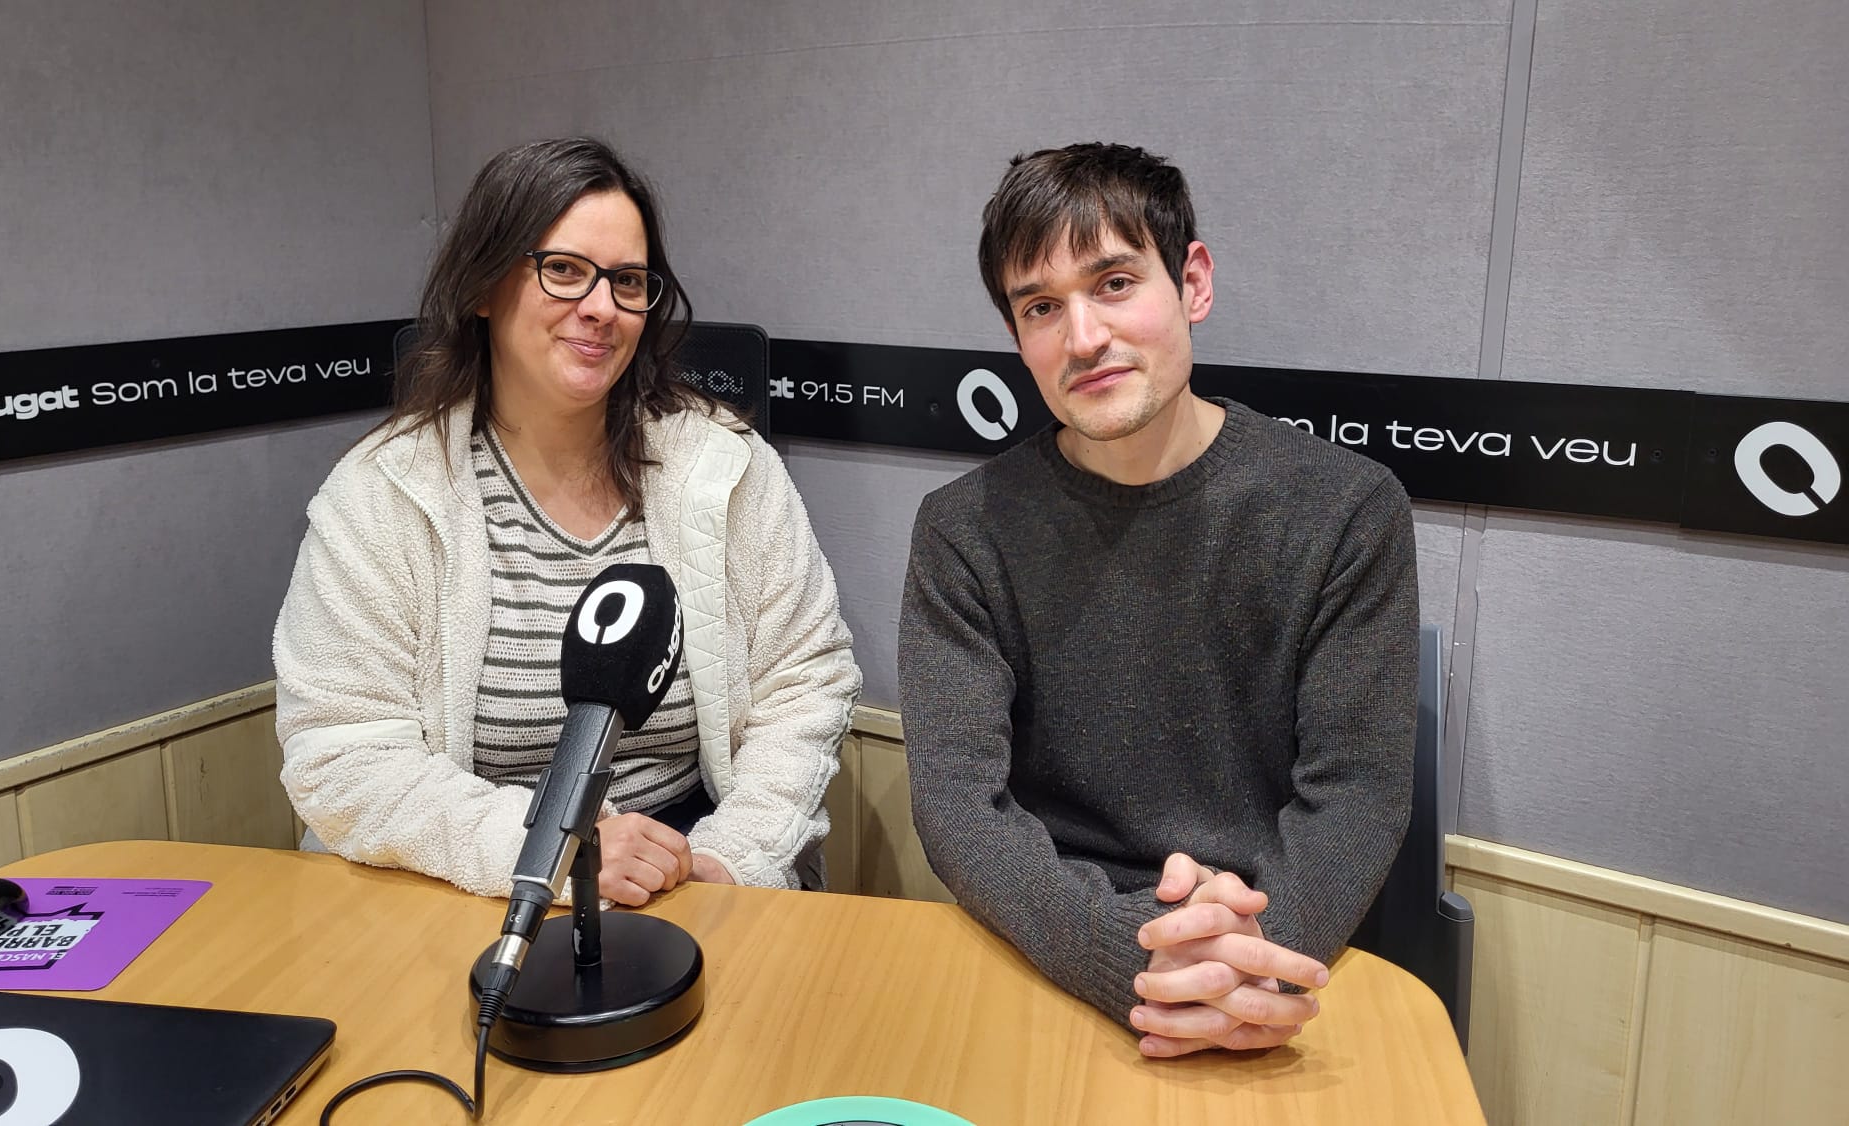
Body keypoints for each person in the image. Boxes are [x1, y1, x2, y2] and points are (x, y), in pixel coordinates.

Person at [899, 142, 1418, 1057]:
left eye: (1113, 283)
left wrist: (1250, 964)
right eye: (1041, 306)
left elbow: (1359, 791)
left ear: (1193, 282)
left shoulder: (1346, 509)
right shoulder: (961, 531)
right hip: (1053, 952)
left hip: (1274, 957)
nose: (1084, 337)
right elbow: (958, 808)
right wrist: (1131, 963)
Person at [274, 138, 860, 907]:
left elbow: (804, 686)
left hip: (686, 881)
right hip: (465, 890)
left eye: (627, 281)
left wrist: (730, 860)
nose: (600, 308)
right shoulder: (384, 494)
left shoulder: (723, 469)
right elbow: (340, 752)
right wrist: (546, 849)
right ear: (483, 285)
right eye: (563, 270)